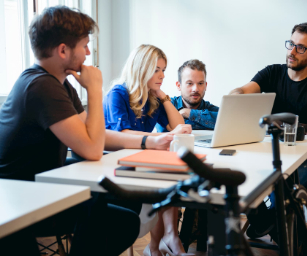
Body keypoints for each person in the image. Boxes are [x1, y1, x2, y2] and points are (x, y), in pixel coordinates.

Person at [0, 6, 158, 256]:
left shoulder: (57, 82)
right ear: (63, 50)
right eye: (84, 45)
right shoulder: (41, 86)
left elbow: (96, 135)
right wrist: (95, 90)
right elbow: (93, 149)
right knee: (121, 220)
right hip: (20, 197)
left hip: (42, 184)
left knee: (125, 198)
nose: (88, 52)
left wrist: (148, 142)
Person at [230, 22, 307, 239]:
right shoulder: (272, 73)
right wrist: (236, 95)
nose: (292, 52)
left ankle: (267, 224)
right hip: (268, 153)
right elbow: (244, 89)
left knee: (281, 182)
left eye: (301, 48)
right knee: (236, 174)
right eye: (291, 44)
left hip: (305, 160)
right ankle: (283, 234)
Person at [103, 44, 193, 256]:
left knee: (169, 168)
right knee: (165, 169)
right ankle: (164, 241)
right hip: (114, 162)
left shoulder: (152, 97)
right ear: (141, 68)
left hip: (138, 159)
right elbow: (123, 134)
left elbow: (178, 126)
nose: (162, 75)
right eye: (156, 70)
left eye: (163, 70)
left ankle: (166, 240)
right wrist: (160, 138)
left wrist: (162, 96)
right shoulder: (118, 93)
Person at [156, 59, 219, 132]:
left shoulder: (210, 109)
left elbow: (231, 121)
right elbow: (163, 131)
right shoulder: (167, 104)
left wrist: (189, 113)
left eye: (200, 83)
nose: (195, 89)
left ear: (206, 85)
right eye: (189, 83)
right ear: (179, 85)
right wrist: (209, 123)